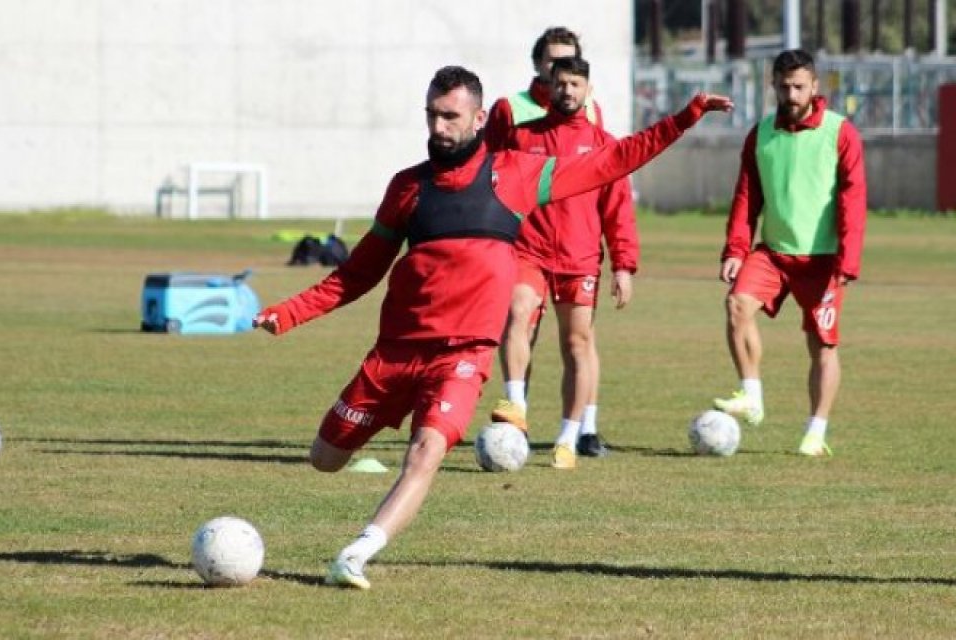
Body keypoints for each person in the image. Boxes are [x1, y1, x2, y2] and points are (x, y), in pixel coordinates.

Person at [254, 65, 732, 590]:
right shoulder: (407, 188)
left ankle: (358, 553)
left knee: (427, 450)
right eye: (432, 115)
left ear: (480, 118)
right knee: (325, 459)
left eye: (451, 117)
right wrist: (288, 312)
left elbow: (612, 160)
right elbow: (358, 273)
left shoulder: (516, 174)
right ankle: (354, 508)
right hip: (392, 354)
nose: (439, 127)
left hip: (462, 354)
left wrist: (685, 117)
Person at [713, 48, 867, 457]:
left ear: (815, 86)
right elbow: (747, 197)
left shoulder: (840, 132)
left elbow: (854, 199)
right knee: (736, 306)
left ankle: (816, 431)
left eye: (799, 86)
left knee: (822, 347)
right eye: (784, 86)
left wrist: (848, 261)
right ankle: (751, 395)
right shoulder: (760, 133)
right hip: (774, 254)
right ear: (773, 87)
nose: (792, 94)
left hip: (824, 261)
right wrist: (735, 249)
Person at [491, 57, 637, 469]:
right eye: (561, 84)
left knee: (577, 345)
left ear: (588, 90)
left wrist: (624, 265)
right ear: (547, 88)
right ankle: (516, 405)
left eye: (575, 84)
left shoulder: (605, 145)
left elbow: (618, 209)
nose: (567, 91)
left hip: (580, 258)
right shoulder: (522, 138)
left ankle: (569, 438)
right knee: (517, 310)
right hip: (529, 251)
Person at [484, 26, 602, 150]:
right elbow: (490, 161)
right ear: (537, 63)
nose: (561, 68)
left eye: (568, 62)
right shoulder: (507, 107)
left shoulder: (592, 108)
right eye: (554, 61)